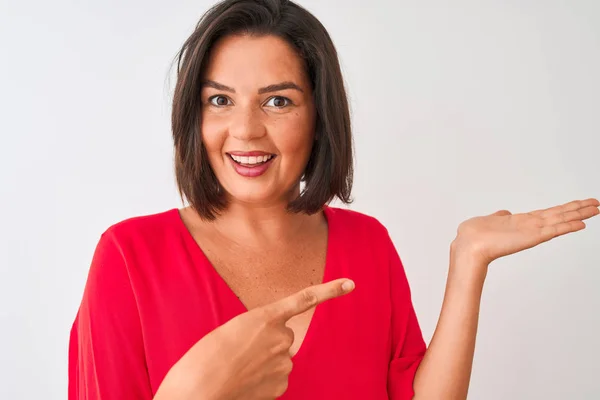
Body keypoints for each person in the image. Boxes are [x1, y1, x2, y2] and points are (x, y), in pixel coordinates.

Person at [68, 0, 599, 399]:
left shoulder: (366, 243)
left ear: (320, 118)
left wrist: (468, 264)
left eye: (278, 100)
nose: (246, 129)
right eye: (220, 100)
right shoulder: (130, 257)